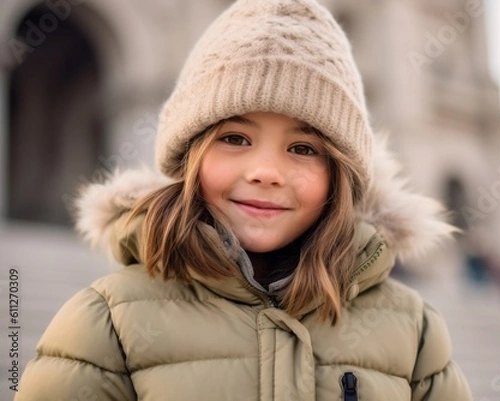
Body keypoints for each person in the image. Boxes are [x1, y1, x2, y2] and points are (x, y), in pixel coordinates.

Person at [16, 0, 472, 399]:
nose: (266, 172)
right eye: (234, 137)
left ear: (340, 176)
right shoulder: (104, 322)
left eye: (303, 148)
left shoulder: (414, 331)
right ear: (188, 157)